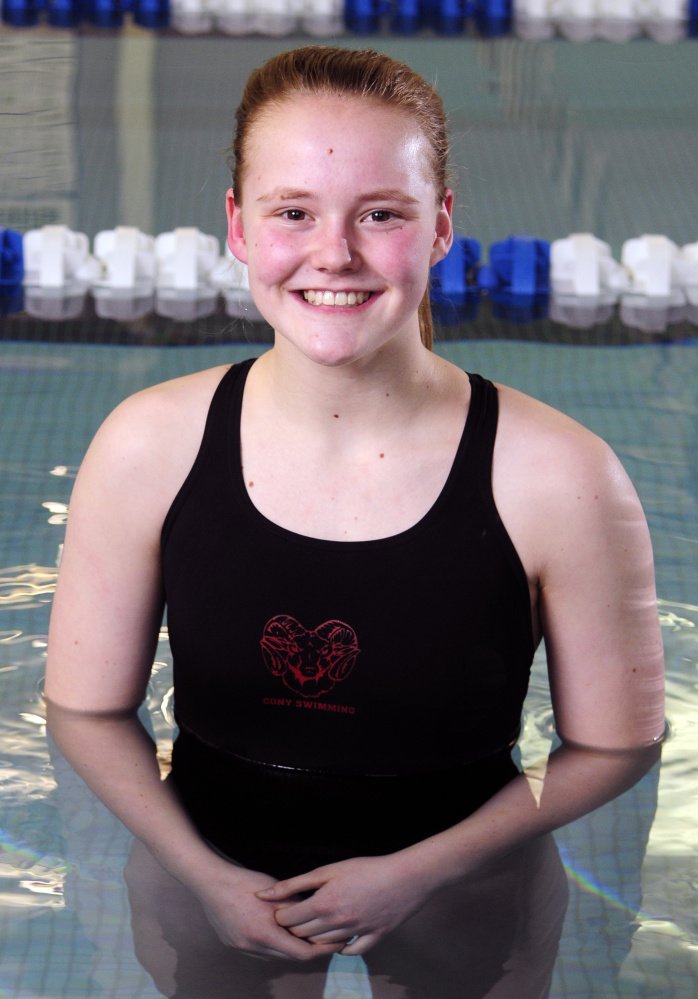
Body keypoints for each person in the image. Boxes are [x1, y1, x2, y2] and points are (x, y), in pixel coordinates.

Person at [45, 45, 665, 995]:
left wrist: (421, 869)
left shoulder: (559, 474)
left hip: (469, 880)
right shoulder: (147, 446)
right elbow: (84, 710)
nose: (333, 253)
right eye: (293, 211)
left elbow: (616, 744)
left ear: (442, 226)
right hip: (207, 863)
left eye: (381, 214)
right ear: (239, 228)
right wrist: (205, 875)